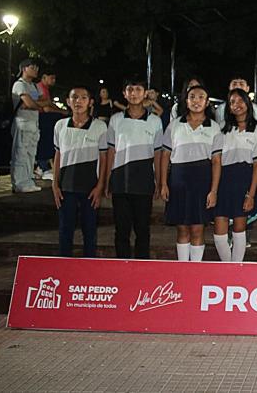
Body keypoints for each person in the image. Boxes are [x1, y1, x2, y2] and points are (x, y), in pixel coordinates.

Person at [160, 84, 222, 262]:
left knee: (197, 228)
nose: (196, 101)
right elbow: (165, 155)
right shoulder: (175, 125)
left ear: (207, 102)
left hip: (202, 180)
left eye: (201, 97)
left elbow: (217, 161)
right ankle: (182, 269)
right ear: (186, 102)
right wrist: (164, 183)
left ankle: (195, 269)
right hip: (178, 179)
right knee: (182, 228)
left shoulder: (214, 127)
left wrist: (214, 190)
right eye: (192, 97)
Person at [105, 77, 164, 259]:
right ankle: (121, 268)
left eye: (138, 90)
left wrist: (160, 182)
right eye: (130, 90)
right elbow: (110, 152)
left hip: (144, 182)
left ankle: (141, 268)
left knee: (142, 229)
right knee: (121, 230)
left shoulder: (155, 121)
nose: (134, 94)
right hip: (121, 181)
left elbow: (158, 154)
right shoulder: (115, 120)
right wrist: (107, 181)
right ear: (124, 94)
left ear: (145, 93)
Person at [51, 85, 108, 257]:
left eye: (83, 98)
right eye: (74, 97)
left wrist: (100, 187)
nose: (78, 101)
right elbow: (58, 155)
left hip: (90, 188)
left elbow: (104, 159)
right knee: (65, 230)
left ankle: (88, 269)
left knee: (89, 231)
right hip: (66, 187)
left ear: (90, 102)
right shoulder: (60, 126)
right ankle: (64, 268)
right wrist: (55, 184)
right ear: (68, 102)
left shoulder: (100, 126)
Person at [212, 88, 257, 262]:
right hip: (223, 179)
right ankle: (227, 267)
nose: (237, 105)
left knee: (239, 229)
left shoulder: (256, 130)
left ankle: (236, 269)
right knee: (219, 232)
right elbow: (216, 160)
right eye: (232, 102)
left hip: (244, 180)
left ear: (248, 104)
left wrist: (251, 193)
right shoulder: (221, 129)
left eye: (240, 101)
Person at [11, 58, 51, 193]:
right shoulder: (19, 84)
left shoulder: (33, 86)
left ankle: (28, 180)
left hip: (34, 123)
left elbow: (44, 101)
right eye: (33, 67)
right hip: (22, 123)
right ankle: (19, 183)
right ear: (24, 69)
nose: (36, 70)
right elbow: (31, 104)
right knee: (20, 153)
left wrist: (34, 104)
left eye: (37, 68)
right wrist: (35, 104)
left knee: (30, 154)